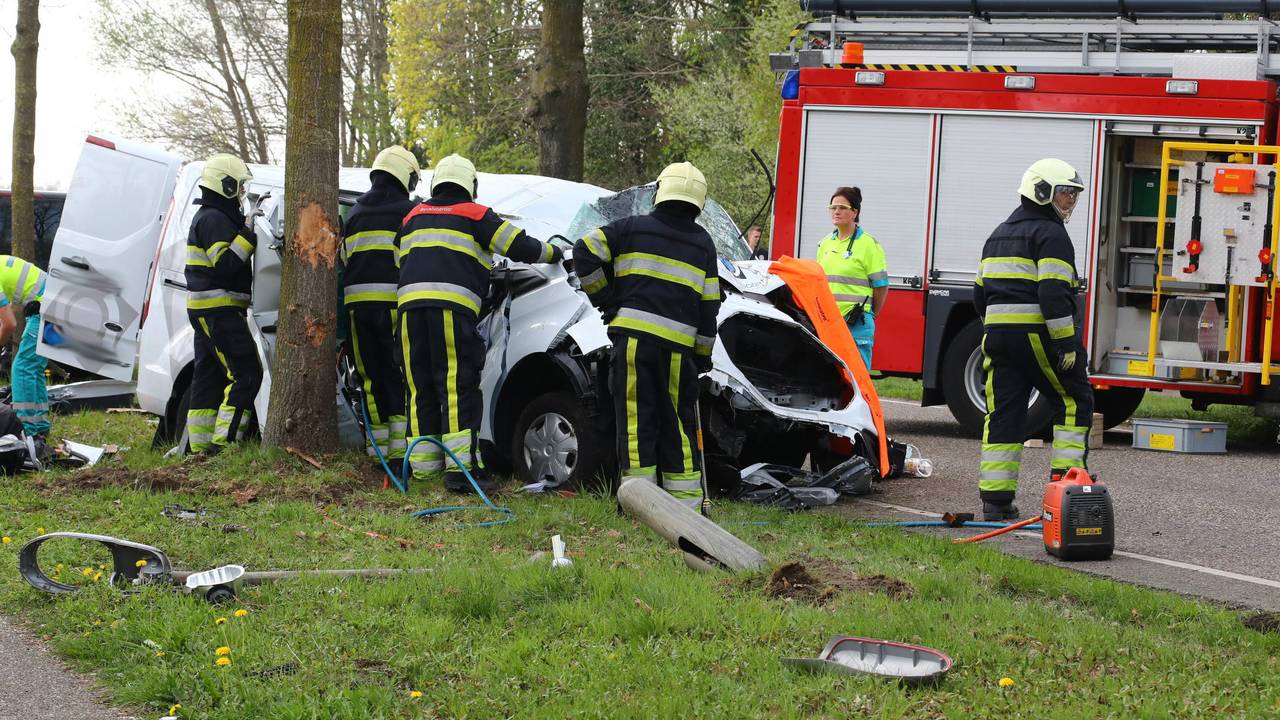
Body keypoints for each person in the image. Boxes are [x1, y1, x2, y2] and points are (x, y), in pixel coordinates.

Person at [395, 154, 562, 494]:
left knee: (421, 386)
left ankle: (424, 472)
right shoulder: (475, 214)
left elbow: (399, 258)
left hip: (409, 312)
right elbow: (520, 246)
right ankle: (461, 472)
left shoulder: (413, 216)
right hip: (451, 310)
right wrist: (554, 253)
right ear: (470, 186)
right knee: (456, 385)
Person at [573, 162, 721, 511]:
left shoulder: (630, 228)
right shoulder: (703, 244)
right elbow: (709, 307)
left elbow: (584, 251)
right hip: (677, 349)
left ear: (659, 192)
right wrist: (702, 355)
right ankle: (685, 505)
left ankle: (640, 504)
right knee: (678, 423)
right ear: (698, 201)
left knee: (637, 421)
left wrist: (606, 299)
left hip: (634, 344)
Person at [973, 158, 1093, 521]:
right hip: (1038, 336)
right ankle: (1067, 491)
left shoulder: (998, 233)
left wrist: (1000, 327)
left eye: (1073, 195)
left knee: (1004, 412)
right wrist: (1067, 343)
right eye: (1064, 194)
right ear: (1041, 191)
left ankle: (995, 502)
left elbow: (980, 294)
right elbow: (1054, 294)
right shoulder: (1052, 234)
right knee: (1074, 400)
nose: (1070, 202)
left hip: (996, 338)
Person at [341, 146, 419, 464]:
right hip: (393, 307)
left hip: (358, 309)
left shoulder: (354, 213)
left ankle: (378, 451)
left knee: (370, 377)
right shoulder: (408, 212)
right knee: (399, 375)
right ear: (404, 174)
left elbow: (345, 259)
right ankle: (400, 453)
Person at [184, 153, 263, 454]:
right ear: (225, 185)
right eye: (240, 187)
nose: (242, 193)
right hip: (220, 309)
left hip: (209, 309)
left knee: (209, 376)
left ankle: (200, 446)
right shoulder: (215, 219)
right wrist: (248, 232)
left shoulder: (209, 216)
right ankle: (225, 445)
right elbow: (227, 265)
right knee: (247, 373)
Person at [815, 186, 887, 370]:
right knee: (830, 378)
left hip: (857, 324)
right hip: (829, 322)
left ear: (855, 212)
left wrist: (871, 313)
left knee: (858, 378)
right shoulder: (825, 244)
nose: (836, 211)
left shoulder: (868, 245)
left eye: (842, 207)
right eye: (833, 207)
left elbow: (881, 286)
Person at [0, 255, 48, 442]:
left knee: (22, 368)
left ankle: (26, 430)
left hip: (46, 307)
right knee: (34, 367)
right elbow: (6, 308)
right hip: (51, 304)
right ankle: (40, 426)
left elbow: (10, 324)